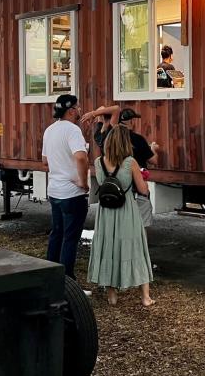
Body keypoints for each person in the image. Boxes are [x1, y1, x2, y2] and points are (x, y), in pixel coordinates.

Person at [88, 125, 155, 307]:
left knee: (109, 247)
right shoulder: (130, 162)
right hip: (127, 209)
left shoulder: (98, 161)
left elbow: (103, 183)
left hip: (106, 212)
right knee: (135, 247)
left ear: (108, 141)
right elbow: (143, 190)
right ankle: (145, 297)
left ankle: (112, 295)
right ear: (126, 143)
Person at [42, 93, 90, 280]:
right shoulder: (73, 130)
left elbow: (45, 161)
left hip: (54, 190)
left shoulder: (50, 130)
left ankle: (50, 274)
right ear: (71, 111)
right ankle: (67, 279)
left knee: (57, 233)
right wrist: (83, 182)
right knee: (70, 238)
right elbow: (80, 156)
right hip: (72, 193)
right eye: (78, 107)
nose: (79, 110)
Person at [116, 108, 158, 229]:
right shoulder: (138, 139)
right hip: (137, 185)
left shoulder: (112, 139)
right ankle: (140, 246)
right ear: (131, 121)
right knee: (141, 223)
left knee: (122, 222)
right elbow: (153, 160)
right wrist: (154, 149)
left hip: (119, 186)